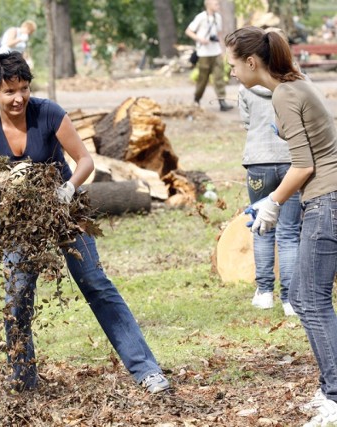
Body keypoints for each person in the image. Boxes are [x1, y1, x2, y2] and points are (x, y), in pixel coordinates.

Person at [0, 51, 170, 394]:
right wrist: (7, 185)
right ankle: (23, 380)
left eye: (24, 89)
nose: (18, 98)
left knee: (96, 284)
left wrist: (68, 188)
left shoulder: (48, 113)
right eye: (9, 91)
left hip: (64, 210)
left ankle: (146, 370)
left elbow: (85, 161)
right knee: (17, 297)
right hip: (20, 222)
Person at [225, 26, 337, 427]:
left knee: (310, 299)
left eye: (234, 65)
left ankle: (336, 397)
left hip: (327, 199)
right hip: (325, 197)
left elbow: (304, 164)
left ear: (252, 62)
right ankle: (330, 389)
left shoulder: (287, 94)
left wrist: (272, 202)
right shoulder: (295, 84)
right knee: (309, 298)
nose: (233, 73)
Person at [238, 28, 302, 317]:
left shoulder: (245, 85)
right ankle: (289, 297)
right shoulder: (296, 81)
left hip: (258, 162)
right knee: (289, 232)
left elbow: (246, 120)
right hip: (292, 162)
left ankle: (264, 291)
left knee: (261, 227)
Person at [185, 0, 234, 112]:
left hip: (215, 52)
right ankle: (196, 99)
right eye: (215, 3)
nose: (218, 5)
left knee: (219, 77)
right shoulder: (200, 17)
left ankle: (222, 102)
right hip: (203, 53)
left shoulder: (218, 17)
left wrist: (222, 50)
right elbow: (188, 31)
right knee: (203, 79)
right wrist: (200, 39)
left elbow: (219, 34)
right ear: (208, 4)